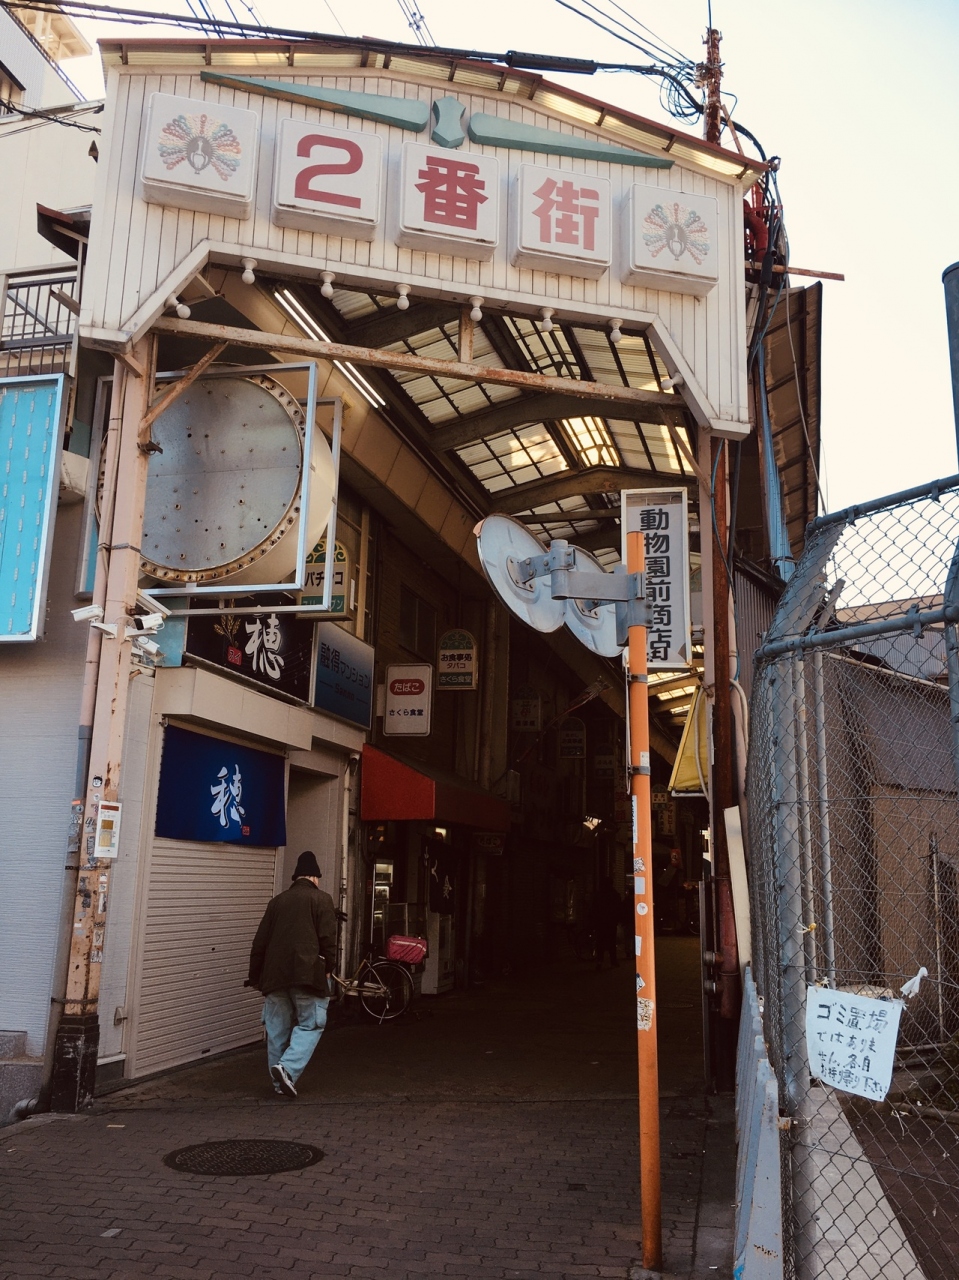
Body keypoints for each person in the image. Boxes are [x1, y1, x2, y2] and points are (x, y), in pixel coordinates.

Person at [248, 849, 338, 1099]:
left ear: (297, 877)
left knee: (277, 1031)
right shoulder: (322, 900)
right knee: (311, 1025)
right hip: (308, 975)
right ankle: (287, 1069)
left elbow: (259, 943)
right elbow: (328, 940)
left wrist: (255, 977)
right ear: (314, 877)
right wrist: (329, 968)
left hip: (274, 977)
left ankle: (280, 1085)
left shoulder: (276, 902)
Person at [593, 876, 623, 969]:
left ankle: (600, 961)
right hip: (611, 922)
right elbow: (618, 908)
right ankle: (613, 961)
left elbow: (594, 908)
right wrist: (617, 919)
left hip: (600, 922)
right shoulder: (614, 894)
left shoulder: (599, 894)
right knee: (611, 942)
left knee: (600, 942)